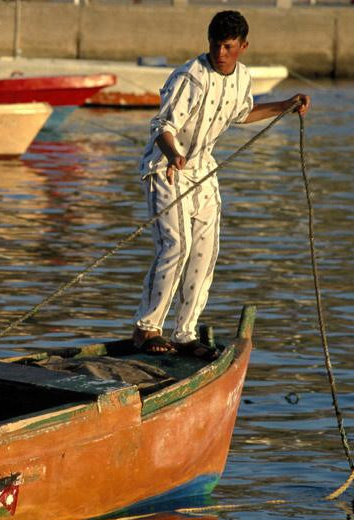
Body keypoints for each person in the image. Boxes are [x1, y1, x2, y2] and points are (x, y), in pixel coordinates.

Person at [132, 10, 310, 358]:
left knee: (205, 251)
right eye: (216, 45)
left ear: (243, 47)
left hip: (203, 172)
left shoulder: (242, 77)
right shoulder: (189, 78)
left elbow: (242, 113)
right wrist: (173, 154)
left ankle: (184, 333)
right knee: (176, 246)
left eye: (228, 47)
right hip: (167, 169)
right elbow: (162, 127)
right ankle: (147, 328)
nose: (220, 53)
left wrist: (285, 105)